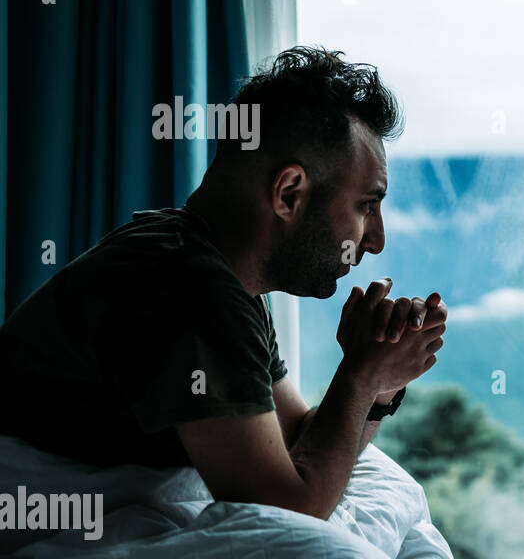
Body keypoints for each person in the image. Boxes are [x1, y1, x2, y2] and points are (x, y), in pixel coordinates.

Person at [0, 46, 445, 520]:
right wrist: (361, 374)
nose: (375, 241)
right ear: (289, 193)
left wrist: (377, 384)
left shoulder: (218, 278)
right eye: (366, 206)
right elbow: (288, 512)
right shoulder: (188, 287)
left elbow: (299, 442)